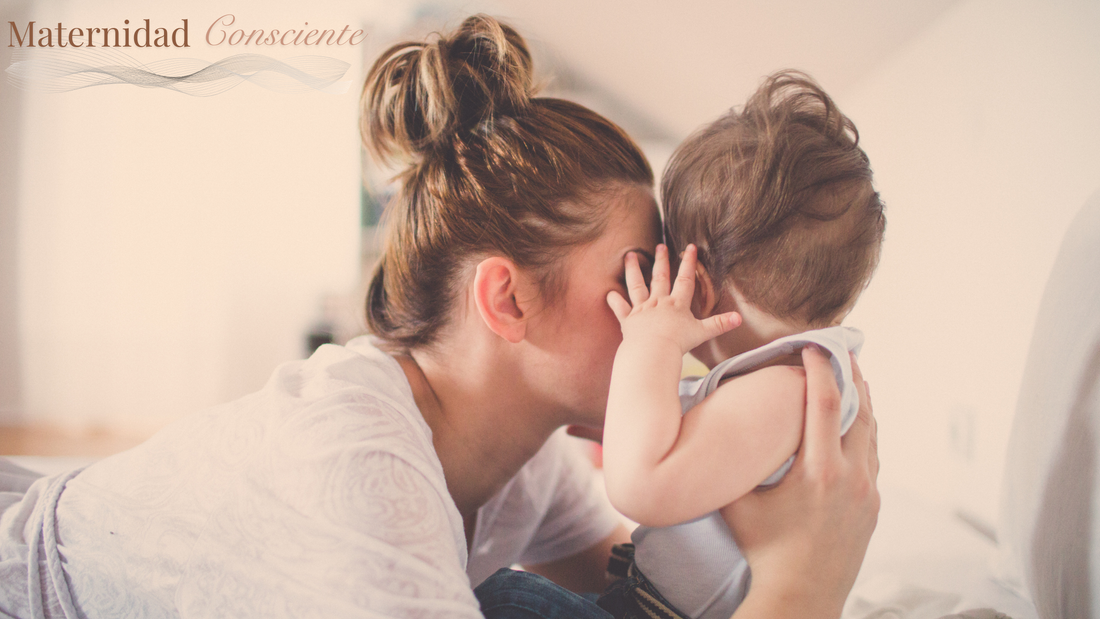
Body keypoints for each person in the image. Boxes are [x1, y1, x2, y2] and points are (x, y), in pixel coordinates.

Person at [0, 18, 879, 619]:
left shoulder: (520, 454)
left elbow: (635, 579)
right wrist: (804, 585)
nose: (677, 312)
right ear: (506, 299)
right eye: (641, 276)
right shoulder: (359, 460)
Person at [598, 72, 886, 619]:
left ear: (698, 289)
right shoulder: (794, 380)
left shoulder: (786, 390)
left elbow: (638, 485)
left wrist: (648, 344)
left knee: (507, 599)